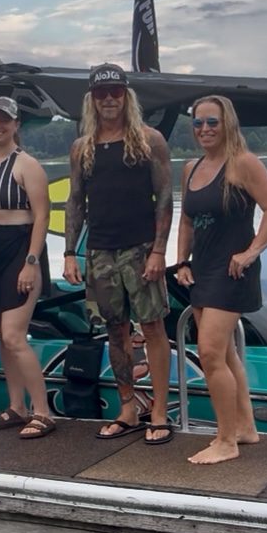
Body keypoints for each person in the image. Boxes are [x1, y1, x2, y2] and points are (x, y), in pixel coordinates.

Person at [63, 63, 175, 444]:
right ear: (92, 99)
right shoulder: (82, 148)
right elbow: (75, 202)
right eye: (101, 93)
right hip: (100, 251)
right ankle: (128, 407)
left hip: (141, 248)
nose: (109, 99)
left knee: (153, 327)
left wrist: (159, 250)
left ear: (126, 96)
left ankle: (158, 410)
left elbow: (165, 198)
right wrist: (69, 252)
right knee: (115, 330)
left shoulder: (150, 140)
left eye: (115, 92)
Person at [174, 95, 267, 465]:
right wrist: (181, 262)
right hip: (202, 270)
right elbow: (187, 220)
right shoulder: (190, 168)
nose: (205, 129)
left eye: (213, 122)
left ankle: (225, 441)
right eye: (198, 123)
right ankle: (245, 428)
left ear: (227, 124)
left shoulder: (243, 163)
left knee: (208, 352)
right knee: (223, 353)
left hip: (233, 271)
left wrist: (251, 252)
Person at [0, 97, 56, 439]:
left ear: (16, 124)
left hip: (20, 251)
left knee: (14, 336)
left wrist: (31, 263)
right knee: (3, 340)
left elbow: (43, 216)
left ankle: (43, 411)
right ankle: (17, 406)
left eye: (4, 120)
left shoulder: (27, 165)